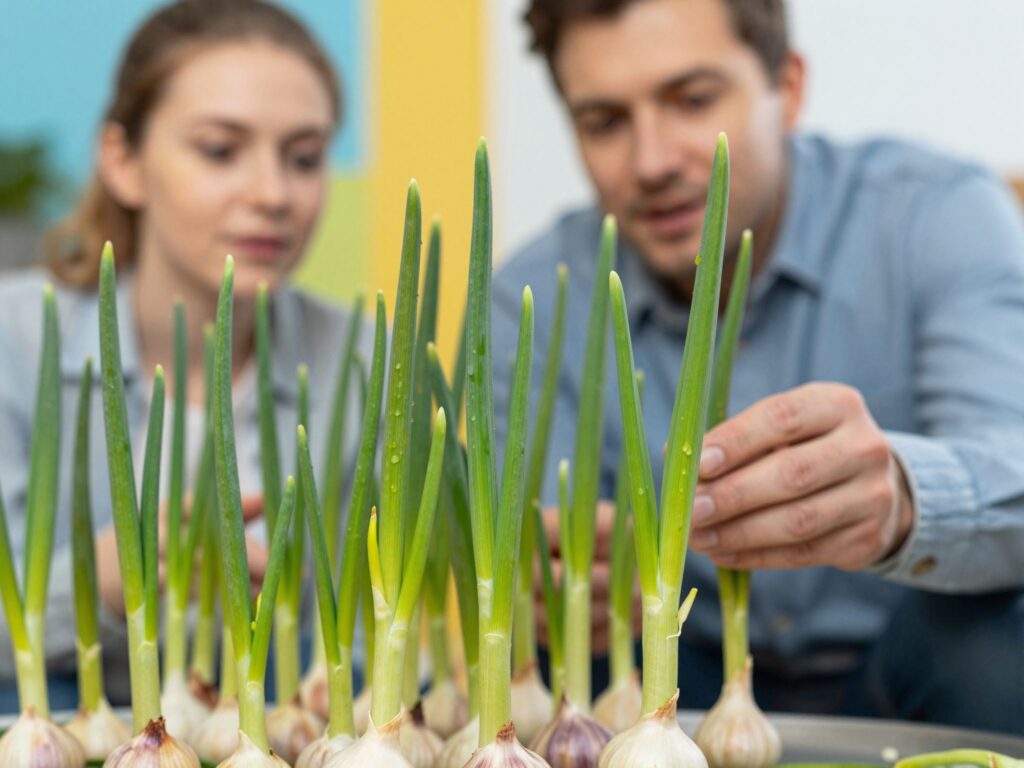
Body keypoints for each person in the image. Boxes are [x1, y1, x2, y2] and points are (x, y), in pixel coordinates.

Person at [492, 0, 1024, 734]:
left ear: (790, 85)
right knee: (563, 675)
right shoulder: (527, 295)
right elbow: (526, 548)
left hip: (905, 661)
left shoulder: (938, 214)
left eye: (693, 99)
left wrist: (903, 496)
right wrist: (552, 583)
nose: (652, 161)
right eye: (604, 122)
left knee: (994, 638)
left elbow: (1015, 461)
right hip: (677, 679)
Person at [0, 0, 371, 713]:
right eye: (219, 150)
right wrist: (105, 578)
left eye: (304, 158)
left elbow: (367, 637)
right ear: (124, 162)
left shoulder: (362, 359)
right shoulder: (17, 341)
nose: (272, 195)